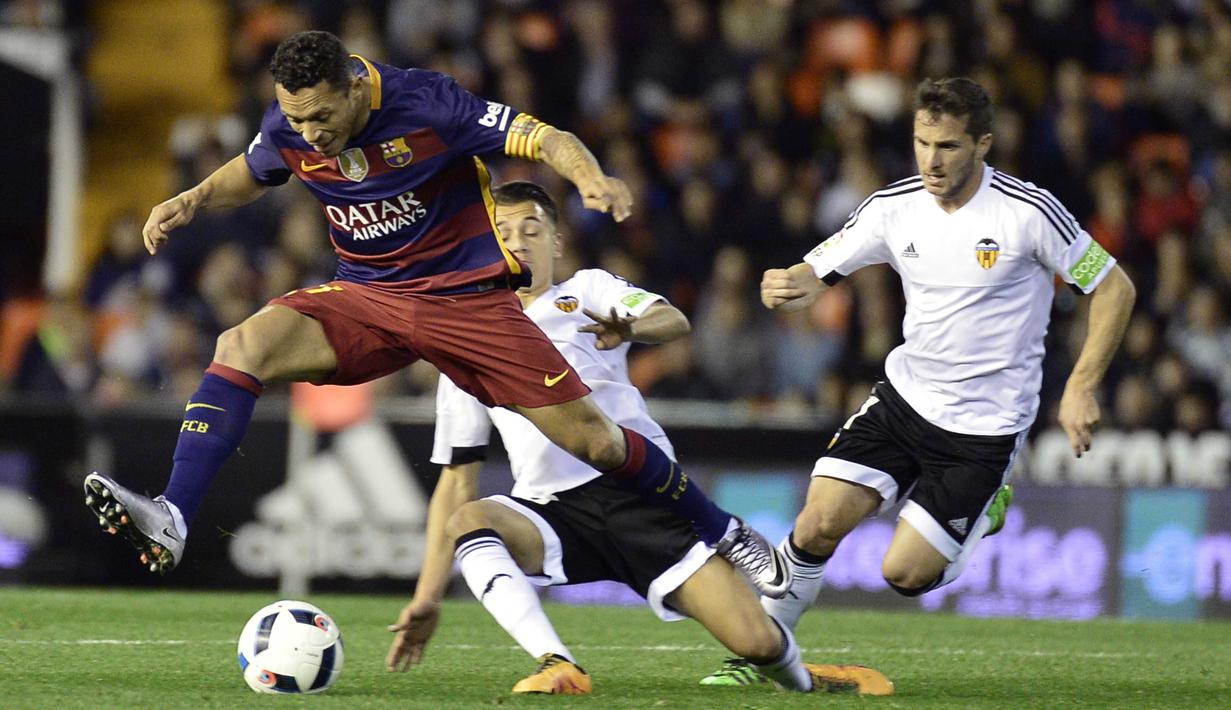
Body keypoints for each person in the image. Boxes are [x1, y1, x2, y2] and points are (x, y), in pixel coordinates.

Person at [82, 30, 785, 598]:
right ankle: (173, 515)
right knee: (242, 343)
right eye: (297, 118)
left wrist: (590, 177)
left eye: (322, 116)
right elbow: (256, 167)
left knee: (598, 444)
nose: (312, 134)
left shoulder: (430, 105)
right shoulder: (290, 122)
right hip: (367, 296)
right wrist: (190, 201)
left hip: (466, 302)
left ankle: (724, 532)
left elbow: (543, 139)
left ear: (357, 84)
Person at [702, 77, 1136, 684]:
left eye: (949, 146)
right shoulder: (892, 206)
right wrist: (788, 282)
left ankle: (987, 509)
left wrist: (1082, 384)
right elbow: (821, 266)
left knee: (904, 575)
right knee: (816, 522)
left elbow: (1114, 286)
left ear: (983, 144)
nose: (931, 160)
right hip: (903, 402)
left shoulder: (1029, 213)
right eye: (921, 142)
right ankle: (759, 658)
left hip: (984, 428)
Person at [383, 182, 893, 696]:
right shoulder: (463, 344)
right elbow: (455, 481)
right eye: (503, 231)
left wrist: (628, 328)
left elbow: (672, 319)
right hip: (556, 512)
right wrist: (427, 596)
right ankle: (557, 662)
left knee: (757, 642)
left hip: (645, 497)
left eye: (531, 229)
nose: (517, 241)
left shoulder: (585, 292)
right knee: (468, 519)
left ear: (557, 243)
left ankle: (809, 680)